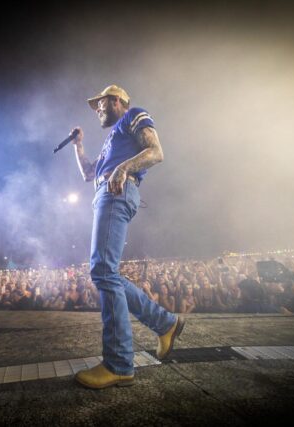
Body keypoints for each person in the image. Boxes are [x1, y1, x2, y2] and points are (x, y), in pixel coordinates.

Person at [71, 85, 185, 389]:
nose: (97, 109)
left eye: (100, 103)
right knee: (106, 272)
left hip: (117, 191)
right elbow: (88, 174)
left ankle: (119, 364)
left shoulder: (133, 115)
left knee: (103, 271)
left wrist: (122, 169)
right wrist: (78, 146)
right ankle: (165, 323)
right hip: (106, 192)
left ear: (116, 101)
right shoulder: (111, 140)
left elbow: (156, 152)